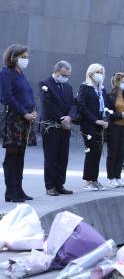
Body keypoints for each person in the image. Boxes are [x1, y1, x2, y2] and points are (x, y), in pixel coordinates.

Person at [0, 44, 36, 202]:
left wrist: (33, 111)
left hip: (26, 119)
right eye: (23, 57)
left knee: (20, 155)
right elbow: (8, 98)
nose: (25, 60)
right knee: (12, 155)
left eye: (27, 57)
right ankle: (11, 191)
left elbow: (27, 95)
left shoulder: (21, 74)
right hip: (15, 119)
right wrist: (24, 113)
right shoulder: (6, 73)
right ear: (13, 57)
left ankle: (19, 189)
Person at [39, 60, 76, 196]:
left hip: (65, 127)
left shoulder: (68, 87)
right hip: (52, 126)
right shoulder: (45, 84)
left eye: (68, 76)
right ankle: (50, 186)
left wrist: (69, 117)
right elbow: (48, 105)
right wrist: (62, 118)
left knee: (62, 157)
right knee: (51, 157)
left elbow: (73, 105)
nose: (65, 78)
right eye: (63, 75)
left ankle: (59, 184)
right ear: (56, 71)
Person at [77, 63, 108, 191]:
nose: (99, 74)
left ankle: (94, 179)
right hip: (89, 125)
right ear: (90, 73)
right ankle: (88, 180)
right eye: (97, 72)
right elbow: (81, 107)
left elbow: (106, 107)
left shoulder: (102, 90)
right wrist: (95, 120)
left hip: (101, 124)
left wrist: (105, 120)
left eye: (101, 72)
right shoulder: (85, 87)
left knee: (98, 152)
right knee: (91, 151)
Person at [103, 72, 124, 188]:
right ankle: (111, 178)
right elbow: (109, 113)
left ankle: (118, 176)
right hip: (114, 127)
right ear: (117, 82)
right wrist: (121, 115)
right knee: (113, 152)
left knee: (121, 152)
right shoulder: (110, 96)